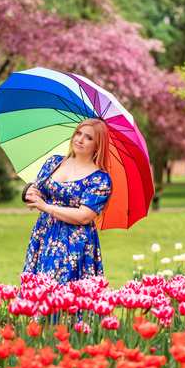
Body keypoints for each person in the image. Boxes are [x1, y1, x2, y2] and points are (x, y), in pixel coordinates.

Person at [23, 118, 112, 285]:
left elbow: (85, 216)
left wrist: (46, 207)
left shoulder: (100, 179)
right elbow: (38, 193)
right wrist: (29, 192)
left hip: (74, 240)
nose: (79, 139)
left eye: (88, 137)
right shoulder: (54, 162)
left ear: (98, 146)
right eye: (78, 133)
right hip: (44, 232)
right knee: (38, 291)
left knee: (62, 294)